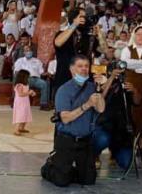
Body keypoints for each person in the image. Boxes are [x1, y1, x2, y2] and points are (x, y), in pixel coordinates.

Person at [42, 55, 105, 187]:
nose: (84, 69)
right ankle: (49, 167)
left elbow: (100, 109)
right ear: (72, 69)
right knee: (61, 181)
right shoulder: (64, 90)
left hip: (85, 140)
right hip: (67, 139)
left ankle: (71, 170)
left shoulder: (92, 87)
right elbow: (65, 118)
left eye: (86, 66)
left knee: (89, 180)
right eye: (80, 66)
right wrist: (87, 105)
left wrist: (100, 88)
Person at [94, 66, 139, 171]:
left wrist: (135, 91)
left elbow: (138, 102)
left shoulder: (127, 86)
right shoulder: (103, 84)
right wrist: (111, 79)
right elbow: (100, 97)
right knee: (102, 139)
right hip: (106, 125)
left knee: (126, 163)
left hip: (122, 129)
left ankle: (114, 153)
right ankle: (94, 154)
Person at [53, 9, 91, 91]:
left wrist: (100, 35)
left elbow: (105, 52)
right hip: (64, 80)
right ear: (73, 18)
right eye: (81, 16)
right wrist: (74, 25)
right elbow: (58, 43)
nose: (84, 19)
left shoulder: (87, 37)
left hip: (82, 82)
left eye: (85, 17)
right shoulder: (63, 33)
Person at [13, 45, 51, 111]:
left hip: (36, 79)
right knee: (20, 82)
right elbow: (16, 72)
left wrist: (48, 73)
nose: (28, 52)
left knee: (44, 83)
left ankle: (43, 104)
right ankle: (15, 102)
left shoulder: (37, 61)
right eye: (26, 50)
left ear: (32, 51)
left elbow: (42, 72)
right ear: (24, 52)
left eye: (29, 50)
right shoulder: (20, 61)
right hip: (25, 79)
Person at [12, 69, 35, 135]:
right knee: (20, 116)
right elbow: (20, 94)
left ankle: (22, 128)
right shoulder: (19, 85)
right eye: (27, 77)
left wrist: (31, 92)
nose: (28, 78)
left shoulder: (25, 85)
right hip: (20, 103)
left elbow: (26, 91)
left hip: (25, 102)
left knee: (25, 115)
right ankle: (16, 130)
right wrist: (29, 93)